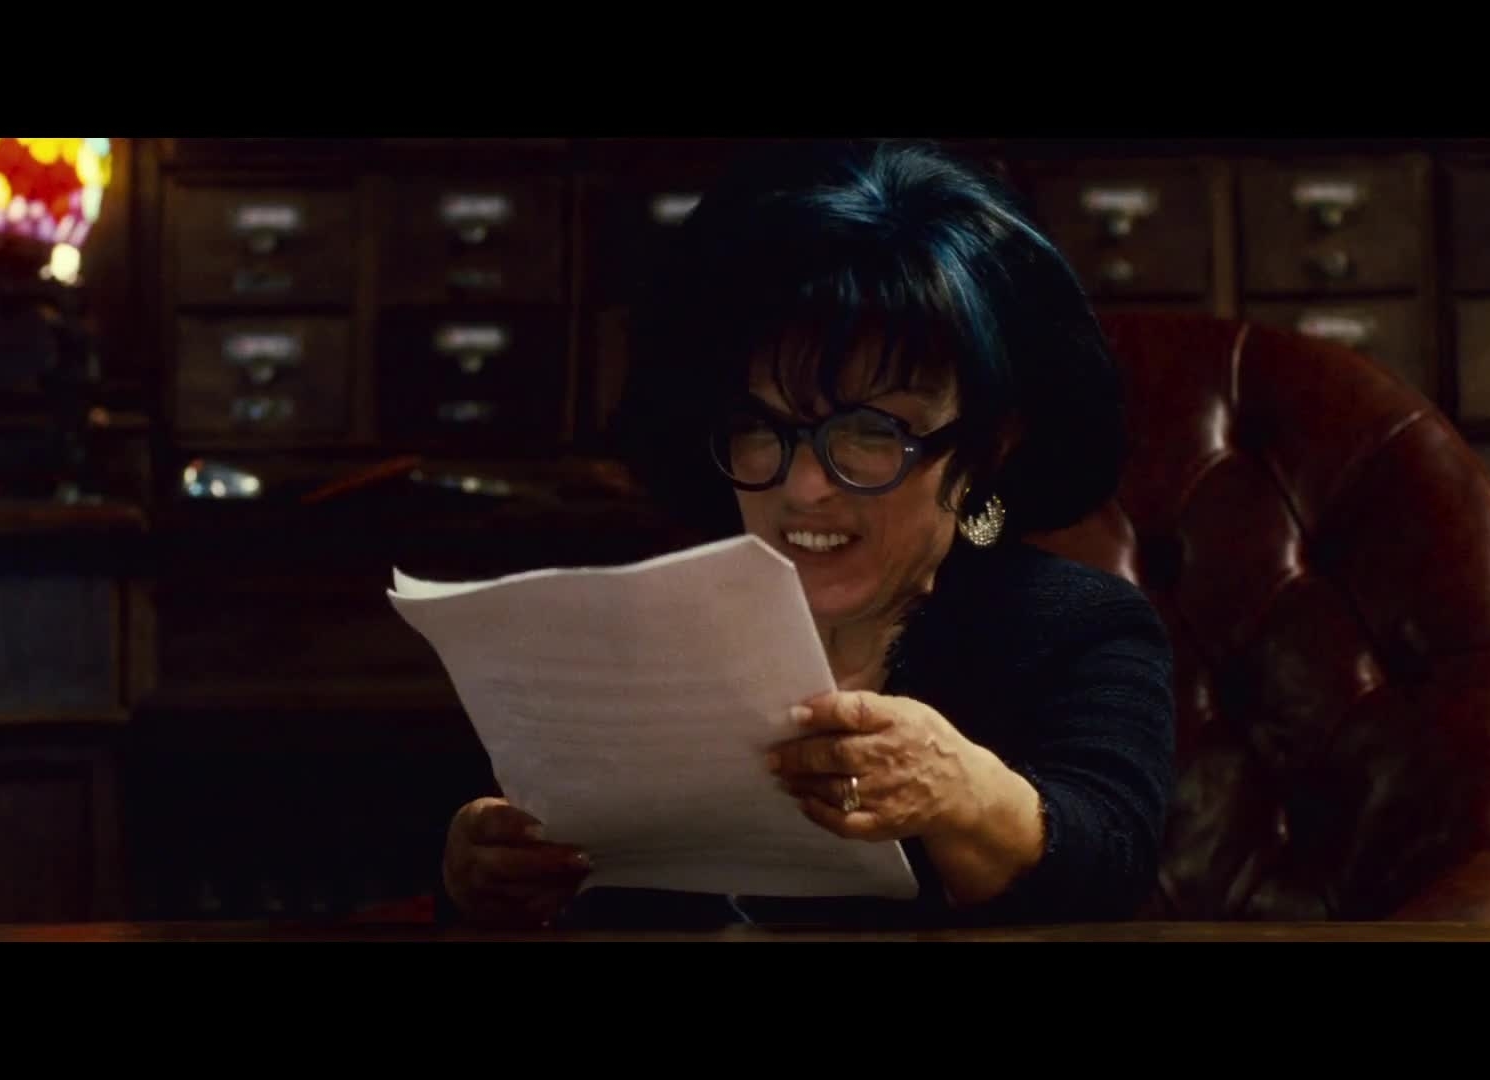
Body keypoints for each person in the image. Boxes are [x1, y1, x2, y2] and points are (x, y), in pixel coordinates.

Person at [438, 139, 1177, 930]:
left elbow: (1110, 870)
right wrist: (480, 877)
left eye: (869, 432)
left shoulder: (1083, 630)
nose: (804, 487)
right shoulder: (633, 626)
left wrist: (964, 794)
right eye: (764, 428)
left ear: (988, 445)